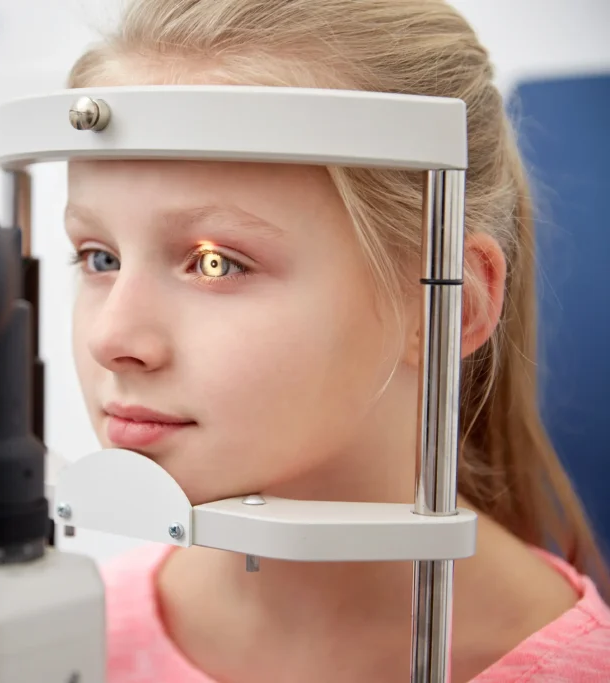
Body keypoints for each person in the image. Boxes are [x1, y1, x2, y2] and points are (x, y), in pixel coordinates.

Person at [61, 0, 610, 681]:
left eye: (215, 262)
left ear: (448, 304)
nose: (113, 337)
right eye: (99, 257)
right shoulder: (68, 640)